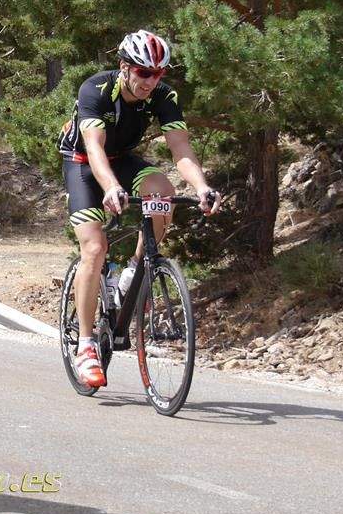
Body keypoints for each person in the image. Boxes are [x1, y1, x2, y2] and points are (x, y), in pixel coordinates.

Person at [58, 30, 221, 389]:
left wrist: (202, 186)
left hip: (124, 160)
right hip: (84, 162)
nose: (151, 81)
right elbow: (95, 149)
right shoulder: (96, 90)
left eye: (159, 73)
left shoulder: (164, 96)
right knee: (95, 248)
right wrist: (111, 187)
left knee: (163, 191)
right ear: (124, 67)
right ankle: (86, 345)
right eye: (144, 73)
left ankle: (134, 270)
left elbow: (180, 150)